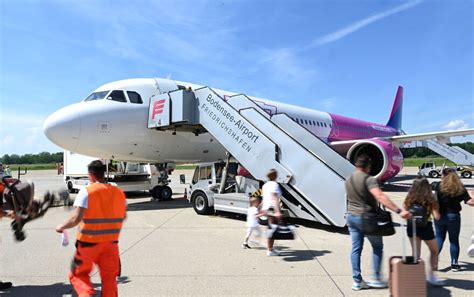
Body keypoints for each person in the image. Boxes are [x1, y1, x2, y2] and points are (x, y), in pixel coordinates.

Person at [56, 160, 127, 297]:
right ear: (103, 174)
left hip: (88, 244)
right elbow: (123, 216)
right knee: (109, 280)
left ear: (91, 175)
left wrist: (61, 226)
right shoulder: (119, 193)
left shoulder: (87, 192)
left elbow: (75, 219)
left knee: (78, 275)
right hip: (111, 245)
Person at [345, 154, 411, 291]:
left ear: (356, 165)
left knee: (356, 249)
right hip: (367, 218)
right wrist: (399, 211)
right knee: (377, 247)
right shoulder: (369, 179)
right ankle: (376, 278)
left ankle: (357, 281)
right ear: (368, 166)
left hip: (351, 216)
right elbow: (380, 196)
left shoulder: (349, 179)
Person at [403, 177, 444, 286]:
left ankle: (414, 278)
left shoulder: (409, 198)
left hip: (412, 227)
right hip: (426, 227)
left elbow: (405, 212)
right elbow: (437, 216)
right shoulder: (430, 199)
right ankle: (432, 275)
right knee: (434, 251)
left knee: (416, 254)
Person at [433, 169, 474, 271]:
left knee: (439, 238)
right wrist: (472, 195)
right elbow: (470, 202)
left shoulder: (437, 185)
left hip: (439, 215)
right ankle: (454, 263)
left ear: (444, 175)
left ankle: (433, 261)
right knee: (454, 240)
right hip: (453, 216)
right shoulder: (459, 187)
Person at [262, 169, 282, 256]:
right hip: (272, 208)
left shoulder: (265, 185)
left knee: (272, 228)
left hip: (267, 208)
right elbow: (274, 197)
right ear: (275, 176)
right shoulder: (274, 184)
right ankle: (270, 251)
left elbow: (264, 198)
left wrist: (261, 209)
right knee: (272, 230)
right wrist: (277, 211)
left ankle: (270, 249)